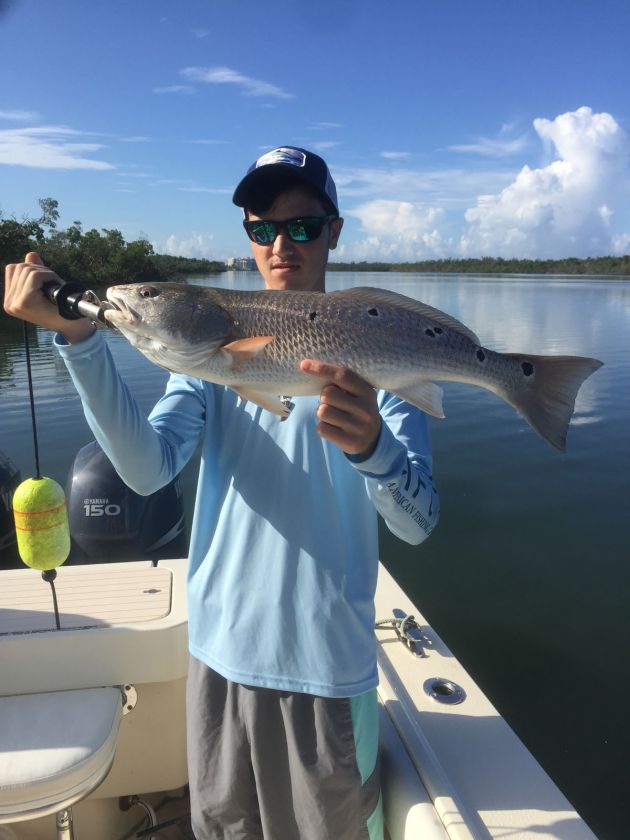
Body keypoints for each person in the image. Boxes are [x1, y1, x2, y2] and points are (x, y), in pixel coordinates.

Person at [4, 146, 440, 840]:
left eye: (301, 226)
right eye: (261, 228)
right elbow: (147, 471)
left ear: (334, 232)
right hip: (216, 659)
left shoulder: (380, 351)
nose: (280, 244)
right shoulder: (203, 362)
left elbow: (419, 522)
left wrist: (373, 450)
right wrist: (80, 343)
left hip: (326, 671)